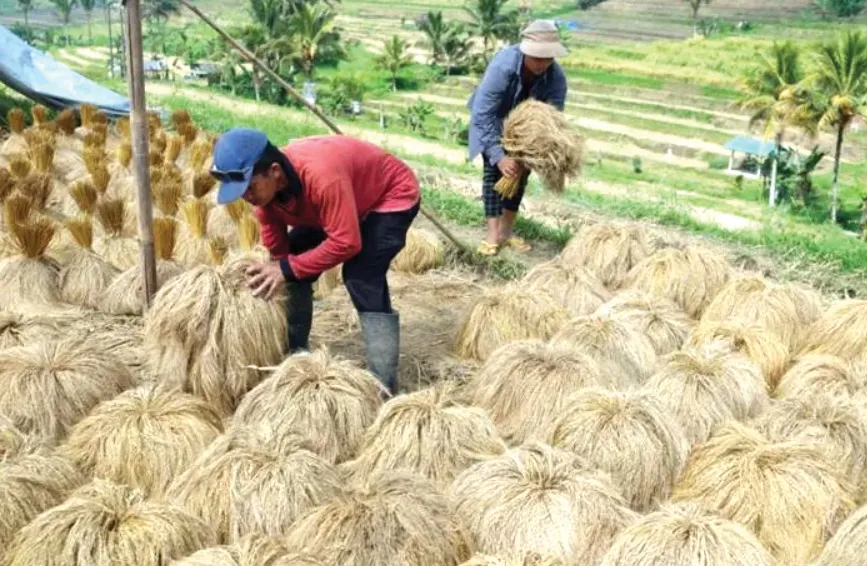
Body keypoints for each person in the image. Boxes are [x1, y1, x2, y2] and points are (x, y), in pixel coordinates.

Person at [209, 129, 421, 396]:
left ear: (274, 171)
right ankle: (296, 355)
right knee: (293, 260)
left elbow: (346, 242)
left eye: (250, 187)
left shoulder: (321, 176)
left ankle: (385, 385)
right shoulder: (266, 197)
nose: (247, 196)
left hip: (390, 195)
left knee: (361, 274)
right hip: (345, 199)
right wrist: (279, 270)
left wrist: (285, 268)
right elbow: (280, 253)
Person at [467, 19, 569, 256]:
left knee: (519, 177)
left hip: (529, 133)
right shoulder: (503, 67)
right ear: (525, 52)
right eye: (537, 57)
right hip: (493, 122)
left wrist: (527, 156)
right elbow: (483, 114)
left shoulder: (556, 79)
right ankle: (493, 234)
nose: (543, 63)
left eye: (548, 58)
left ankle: (507, 231)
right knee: (494, 173)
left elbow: (552, 122)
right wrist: (499, 156)